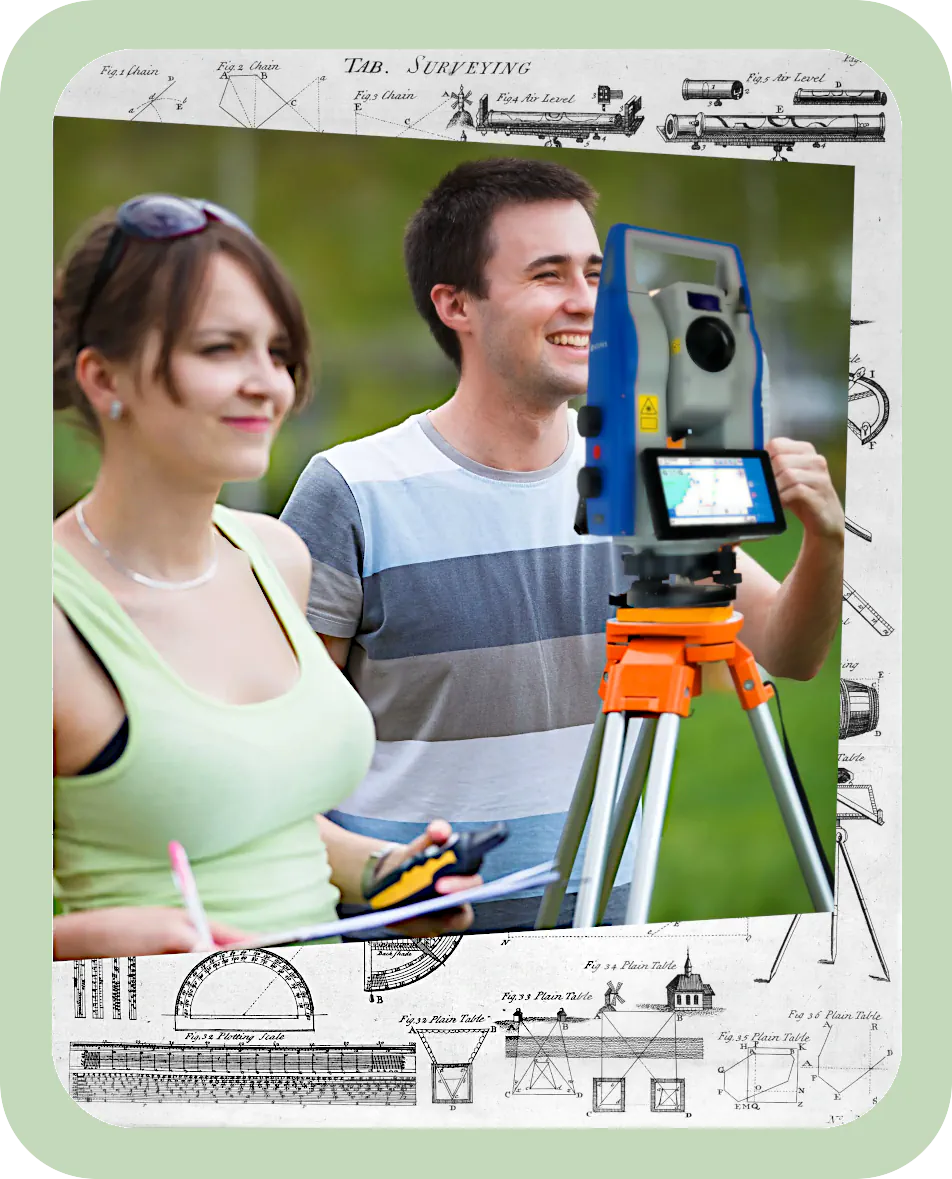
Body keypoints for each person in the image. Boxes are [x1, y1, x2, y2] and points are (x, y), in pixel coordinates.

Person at [279, 158, 846, 935]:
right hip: (409, 939)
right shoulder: (351, 489)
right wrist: (379, 876)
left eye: (595, 274)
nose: (586, 301)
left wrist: (826, 541)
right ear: (456, 303)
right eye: (548, 275)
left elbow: (789, 648)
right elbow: (277, 761)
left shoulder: (635, 477)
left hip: (599, 936)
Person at [52, 193, 479, 961]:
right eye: (221, 349)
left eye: (277, 352)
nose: (268, 383)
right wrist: (87, 940)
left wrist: (383, 873)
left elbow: (254, 810)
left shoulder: (277, 556)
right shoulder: (46, 619)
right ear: (103, 377)